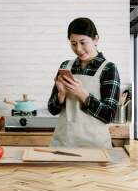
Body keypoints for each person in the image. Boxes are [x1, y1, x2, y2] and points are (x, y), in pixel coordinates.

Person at [48, 17, 120, 148]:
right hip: (64, 142)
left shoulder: (109, 69)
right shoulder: (65, 66)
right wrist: (61, 95)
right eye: (73, 43)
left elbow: (109, 115)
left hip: (95, 146)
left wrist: (83, 95)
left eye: (83, 42)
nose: (78, 49)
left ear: (96, 39)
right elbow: (52, 110)